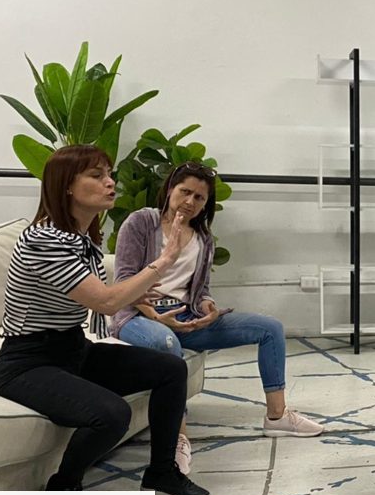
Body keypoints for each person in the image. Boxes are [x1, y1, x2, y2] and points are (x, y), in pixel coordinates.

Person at [0, 145, 211, 495]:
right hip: (26, 363)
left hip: (72, 349)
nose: (110, 183)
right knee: (111, 414)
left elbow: (109, 293)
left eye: (109, 174)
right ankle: (61, 491)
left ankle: (161, 476)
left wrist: (138, 289)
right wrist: (165, 259)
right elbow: (106, 302)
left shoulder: (81, 238)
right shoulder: (45, 239)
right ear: (66, 185)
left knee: (171, 368)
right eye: (97, 175)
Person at [113, 161, 323, 474]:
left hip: (186, 317)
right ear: (170, 189)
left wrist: (208, 307)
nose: (190, 201)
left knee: (270, 329)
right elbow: (124, 281)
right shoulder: (141, 222)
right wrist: (156, 316)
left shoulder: (203, 237)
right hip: (139, 317)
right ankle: (177, 438)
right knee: (166, 343)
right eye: (185, 192)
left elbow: (201, 290)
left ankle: (277, 416)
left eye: (199, 197)